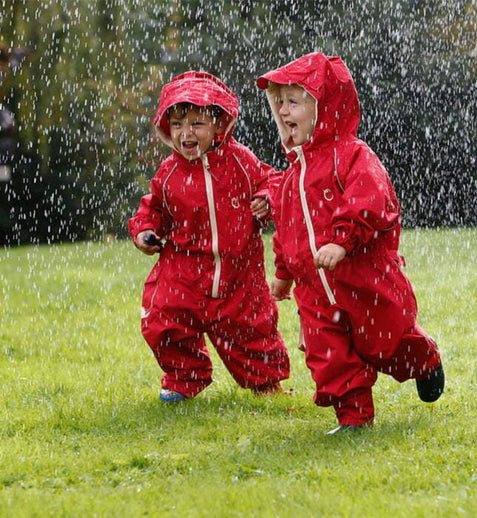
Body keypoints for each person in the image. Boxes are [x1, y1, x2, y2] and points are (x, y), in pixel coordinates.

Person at [256, 52, 444, 434]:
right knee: (329, 356)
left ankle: (422, 361)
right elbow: (288, 230)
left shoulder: (352, 156)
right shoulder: (291, 177)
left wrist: (342, 242)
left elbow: (371, 201)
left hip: (364, 281)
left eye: (294, 101)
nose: (284, 110)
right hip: (316, 295)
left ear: (324, 107)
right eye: (279, 103)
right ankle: (354, 417)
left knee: (386, 342)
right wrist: (283, 275)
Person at [129, 71, 290, 402]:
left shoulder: (240, 161)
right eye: (177, 125)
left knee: (252, 327)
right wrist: (145, 231)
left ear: (219, 124)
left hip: (238, 269)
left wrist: (267, 198)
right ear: (166, 129)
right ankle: (183, 378)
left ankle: (266, 383)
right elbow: (153, 209)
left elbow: (273, 180)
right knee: (164, 319)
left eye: (196, 124)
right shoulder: (168, 172)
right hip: (183, 269)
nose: (186, 133)